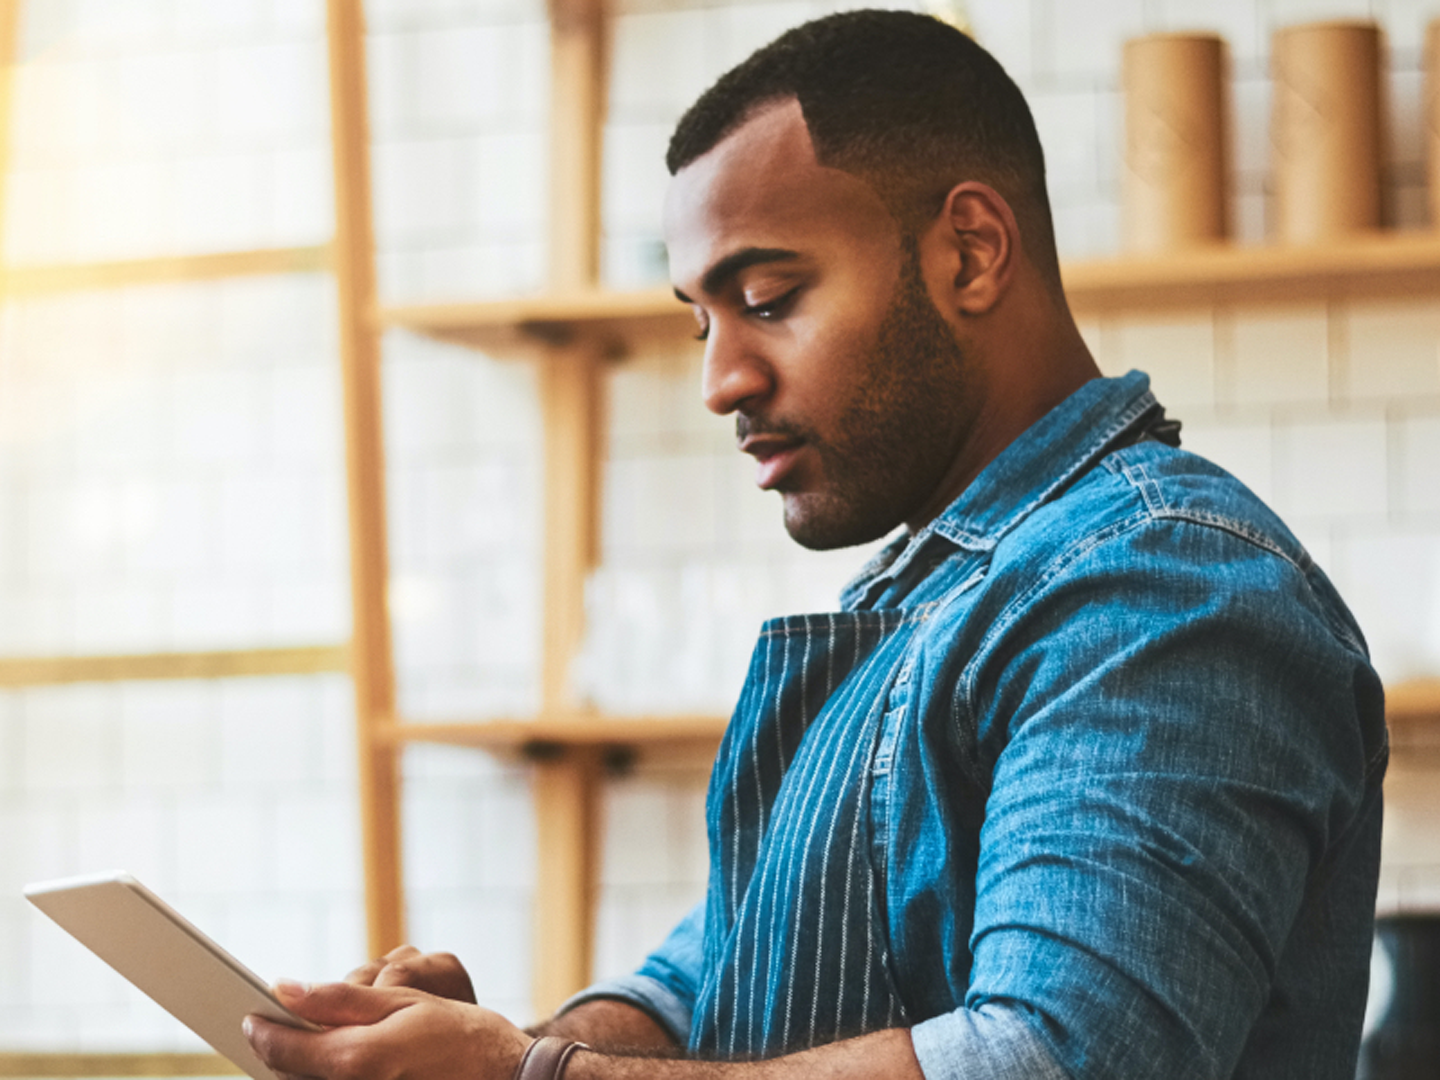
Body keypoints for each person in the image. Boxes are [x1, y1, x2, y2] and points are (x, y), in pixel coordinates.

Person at [245, 10, 1386, 1080]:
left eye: (770, 297)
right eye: (703, 319)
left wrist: (532, 1074)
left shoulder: (1157, 587)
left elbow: (1049, 1059)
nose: (720, 380)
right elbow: (704, 985)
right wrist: (499, 1042)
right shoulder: (926, 591)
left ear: (971, 254)